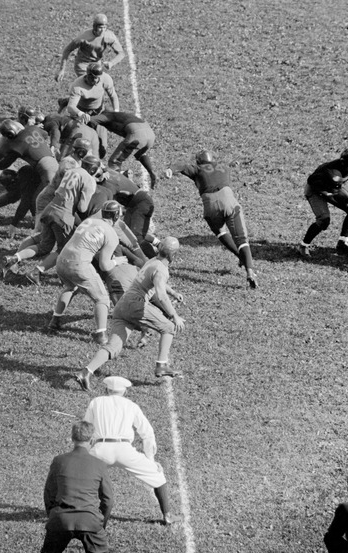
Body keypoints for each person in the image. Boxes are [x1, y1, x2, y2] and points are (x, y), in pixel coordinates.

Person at [77, 236, 185, 388]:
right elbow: (160, 295)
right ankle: (161, 365)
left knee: (113, 347)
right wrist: (175, 316)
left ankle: (86, 372)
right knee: (169, 327)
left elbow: (155, 280)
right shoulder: (162, 269)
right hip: (135, 303)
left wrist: (173, 292)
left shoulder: (152, 261)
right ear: (173, 254)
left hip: (122, 305)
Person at [41, 421, 114, 553]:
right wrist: (101, 522)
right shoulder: (99, 464)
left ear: (73, 438)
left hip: (61, 519)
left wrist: (53, 515)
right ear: (92, 440)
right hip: (90, 520)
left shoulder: (59, 461)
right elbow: (108, 499)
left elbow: (49, 492)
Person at [83, 376, 174, 525]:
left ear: (107, 389)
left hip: (100, 449)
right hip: (124, 449)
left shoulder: (96, 402)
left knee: (81, 479)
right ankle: (167, 515)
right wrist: (150, 460)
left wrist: (85, 454)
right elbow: (147, 432)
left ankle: (78, 511)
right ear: (124, 391)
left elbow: (85, 428)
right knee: (157, 476)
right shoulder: (131, 405)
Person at [2, 153, 100, 284]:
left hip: (49, 208)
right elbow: (82, 207)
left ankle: (15, 258)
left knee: (44, 245)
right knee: (64, 250)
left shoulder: (71, 171)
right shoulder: (89, 179)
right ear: (93, 169)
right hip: (63, 215)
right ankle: (37, 272)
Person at [167, 150, 258, 288]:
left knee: (221, 232)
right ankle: (250, 272)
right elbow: (230, 165)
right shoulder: (224, 167)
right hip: (228, 201)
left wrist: (171, 169)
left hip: (210, 205)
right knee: (241, 239)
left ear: (199, 161)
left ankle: (241, 257)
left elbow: (182, 165)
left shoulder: (198, 169)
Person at [47, 201, 127, 342]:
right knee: (102, 298)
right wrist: (117, 261)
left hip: (61, 261)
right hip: (78, 264)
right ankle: (101, 335)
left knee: (71, 287)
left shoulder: (89, 221)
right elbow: (104, 266)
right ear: (116, 216)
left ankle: (55, 320)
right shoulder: (112, 234)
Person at [295, 148, 348, 257]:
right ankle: (303, 246)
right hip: (316, 190)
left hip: (332, 189)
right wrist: (324, 193)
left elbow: (340, 181)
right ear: (343, 162)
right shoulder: (329, 171)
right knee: (323, 219)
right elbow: (311, 181)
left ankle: (342, 242)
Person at [87, 110, 160, 188]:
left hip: (137, 134)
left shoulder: (107, 115)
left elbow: (90, 120)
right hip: (150, 135)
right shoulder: (120, 115)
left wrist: (94, 135)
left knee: (114, 162)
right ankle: (152, 172)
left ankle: (120, 187)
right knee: (140, 154)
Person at [62, 64, 121, 155]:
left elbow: (113, 96)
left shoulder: (105, 79)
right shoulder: (78, 85)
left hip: (98, 113)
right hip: (81, 115)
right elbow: (71, 107)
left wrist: (116, 112)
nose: (97, 80)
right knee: (78, 144)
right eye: (94, 78)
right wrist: (81, 114)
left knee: (102, 148)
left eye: (98, 78)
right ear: (88, 75)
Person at [55, 13, 125, 81]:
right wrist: (62, 69)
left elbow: (121, 53)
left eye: (104, 27)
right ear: (95, 27)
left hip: (96, 63)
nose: (102, 30)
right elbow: (67, 50)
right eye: (100, 28)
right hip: (82, 64)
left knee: (97, 85)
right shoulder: (84, 38)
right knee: (89, 83)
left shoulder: (109, 37)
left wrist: (111, 63)